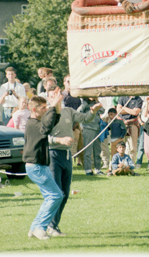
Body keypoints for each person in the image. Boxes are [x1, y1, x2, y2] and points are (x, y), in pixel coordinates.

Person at [47, 87, 102, 236]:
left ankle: (54, 226)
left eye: (57, 95)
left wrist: (93, 111)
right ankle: (49, 226)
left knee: (64, 194)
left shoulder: (68, 112)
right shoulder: (47, 114)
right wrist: (59, 140)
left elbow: (85, 119)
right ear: (49, 99)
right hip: (53, 155)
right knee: (56, 193)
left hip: (66, 156)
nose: (56, 98)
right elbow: (43, 138)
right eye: (52, 96)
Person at [23, 93, 67, 240]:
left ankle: (34, 228)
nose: (46, 109)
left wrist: (58, 106)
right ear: (34, 110)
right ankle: (40, 228)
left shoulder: (36, 123)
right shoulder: (32, 124)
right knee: (56, 196)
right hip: (36, 167)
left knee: (51, 197)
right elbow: (46, 127)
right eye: (43, 108)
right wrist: (54, 105)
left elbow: (51, 123)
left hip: (41, 166)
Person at [78, 97, 105, 175]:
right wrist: (85, 103)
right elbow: (79, 111)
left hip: (97, 128)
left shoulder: (96, 102)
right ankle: (88, 170)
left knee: (97, 150)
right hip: (88, 128)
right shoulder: (84, 103)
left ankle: (98, 169)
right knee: (88, 151)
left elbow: (102, 111)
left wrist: (97, 102)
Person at [61, 74, 84, 166]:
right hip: (66, 124)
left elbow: (80, 109)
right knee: (68, 147)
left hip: (77, 124)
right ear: (64, 83)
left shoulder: (78, 95)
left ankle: (87, 167)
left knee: (81, 146)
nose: (70, 84)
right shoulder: (61, 95)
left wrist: (77, 122)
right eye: (68, 81)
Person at [117, 96, 143, 165]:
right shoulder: (122, 97)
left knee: (132, 148)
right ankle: (120, 165)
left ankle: (130, 166)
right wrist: (131, 110)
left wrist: (124, 107)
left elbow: (135, 112)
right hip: (122, 125)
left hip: (132, 125)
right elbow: (118, 110)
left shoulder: (138, 99)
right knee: (120, 146)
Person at [106, 107, 126, 176]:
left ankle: (123, 167)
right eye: (109, 115)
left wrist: (121, 136)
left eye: (112, 114)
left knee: (121, 154)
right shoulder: (110, 122)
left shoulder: (120, 121)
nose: (110, 116)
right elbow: (107, 129)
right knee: (113, 155)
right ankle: (111, 167)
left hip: (119, 140)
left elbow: (124, 129)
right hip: (112, 140)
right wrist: (106, 122)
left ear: (116, 114)